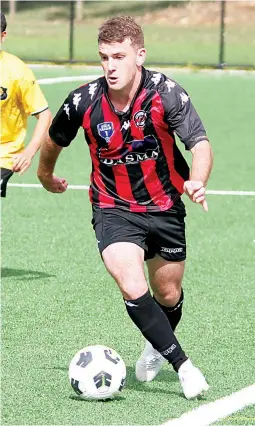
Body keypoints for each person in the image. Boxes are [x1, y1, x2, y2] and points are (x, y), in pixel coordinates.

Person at [37, 16, 213, 399]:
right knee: (132, 284)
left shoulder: (166, 94)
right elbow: (54, 138)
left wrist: (197, 179)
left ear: (140, 55)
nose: (111, 66)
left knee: (167, 293)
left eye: (119, 56)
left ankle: (155, 345)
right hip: (112, 206)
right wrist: (45, 174)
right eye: (104, 57)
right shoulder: (84, 100)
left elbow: (198, 143)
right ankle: (184, 365)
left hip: (165, 205)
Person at [0, 12, 52, 197]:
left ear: (3, 36)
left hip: (4, 153)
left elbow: (44, 115)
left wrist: (29, 152)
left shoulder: (17, 71)